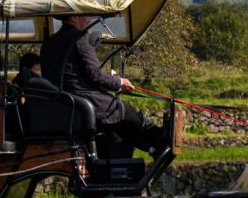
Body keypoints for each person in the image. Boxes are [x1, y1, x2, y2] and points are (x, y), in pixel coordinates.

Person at [39, 15, 165, 159]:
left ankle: (152, 147)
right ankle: (158, 137)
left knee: (117, 126)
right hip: (83, 100)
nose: (89, 20)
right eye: (86, 17)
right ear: (73, 18)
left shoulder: (48, 43)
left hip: (62, 103)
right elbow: (95, 75)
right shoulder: (80, 38)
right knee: (123, 110)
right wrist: (119, 83)